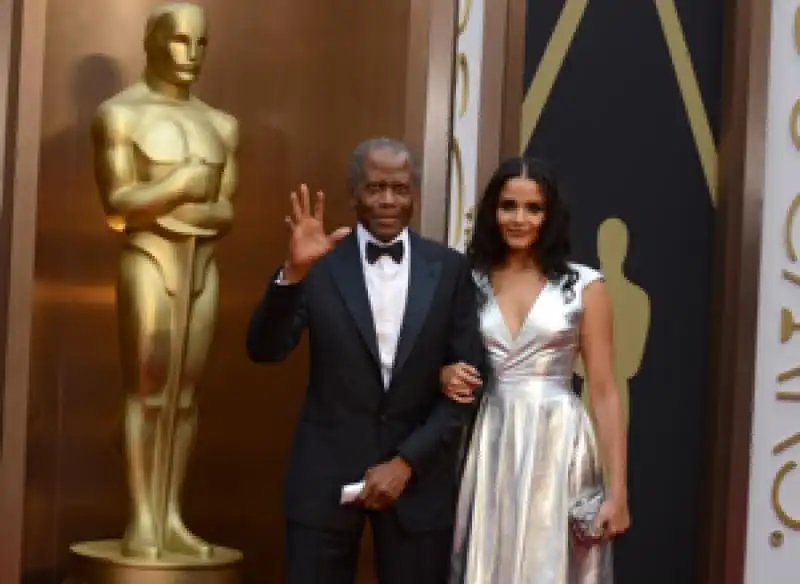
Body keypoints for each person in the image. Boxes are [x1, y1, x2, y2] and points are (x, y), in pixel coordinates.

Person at [246, 138, 486, 584]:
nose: (388, 200)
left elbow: (468, 385)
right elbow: (265, 350)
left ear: (415, 193)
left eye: (399, 188)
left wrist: (406, 462)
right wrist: (293, 273)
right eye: (375, 188)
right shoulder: (320, 264)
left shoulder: (450, 270)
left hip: (418, 481)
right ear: (354, 192)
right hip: (324, 477)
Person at [442, 157, 630, 583]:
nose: (519, 218)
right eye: (509, 206)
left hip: (559, 442)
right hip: (487, 438)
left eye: (533, 209)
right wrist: (443, 374)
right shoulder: (466, 280)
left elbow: (603, 391)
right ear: (493, 210)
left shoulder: (586, 286)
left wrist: (618, 493)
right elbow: (435, 360)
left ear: (551, 216)